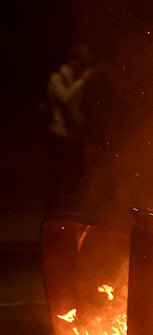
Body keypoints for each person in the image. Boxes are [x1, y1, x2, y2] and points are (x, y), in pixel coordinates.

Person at [46, 43, 94, 210]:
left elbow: (71, 105)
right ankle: (54, 211)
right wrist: (82, 81)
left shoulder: (72, 79)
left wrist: (78, 117)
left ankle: (70, 210)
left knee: (75, 176)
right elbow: (65, 98)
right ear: (73, 61)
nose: (84, 67)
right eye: (82, 63)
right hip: (58, 135)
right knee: (59, 177)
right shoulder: (56, 78)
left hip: (72, 135)